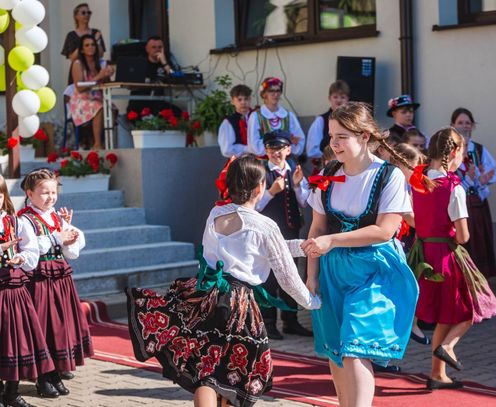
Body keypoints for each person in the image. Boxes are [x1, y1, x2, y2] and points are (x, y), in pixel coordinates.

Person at [126, 155, 321, 407]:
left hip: (206, 295)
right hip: (239, 304)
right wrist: (312, 302)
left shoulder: (216, 213)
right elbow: (286, 275)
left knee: (205, 371)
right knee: (233, 374)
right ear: (260, 187)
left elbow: (265, 248)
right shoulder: (265, 225)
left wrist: (303, 246)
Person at [302, 102, 419, 407]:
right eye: (331, 136)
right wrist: (311, 276)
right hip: (332, 270)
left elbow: (385, 230)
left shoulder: (388, 176)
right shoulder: (327, 174)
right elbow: (317, 229)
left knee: (356, 347)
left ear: (365, 136)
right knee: (336, 350)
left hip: (373, 269)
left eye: (342, 136)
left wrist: (333, 240)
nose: (334, 143)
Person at [407, 128, 496, 391]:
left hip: (423, 254)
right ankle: (448, 346)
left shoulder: (419, 181)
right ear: (454, 152)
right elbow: (462, 236)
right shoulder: (453, 187)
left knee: (445, 315)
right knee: (470, 308)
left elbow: (416, 218)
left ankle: (438, 374)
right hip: (446, 255)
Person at [18, 169, 93, 398]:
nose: (50, 197)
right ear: (30, 193)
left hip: (60, 278)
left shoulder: (55, 217)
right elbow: (30, 248)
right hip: (39, 279)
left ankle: (56, 372)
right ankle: (43, 377)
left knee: (60, 326)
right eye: (44, 192)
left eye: (53, 192)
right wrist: (57, 237)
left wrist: (68, 236)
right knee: (42, 327)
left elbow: (72, 252)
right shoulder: (24, 219)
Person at [0, 175, 56, 407]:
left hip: (15, 289)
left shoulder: (15, 222)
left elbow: (31, 252)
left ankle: (12, 393)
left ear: (4, 197)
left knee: (18, 340)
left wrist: (21, 257)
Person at [256, 130, 312, 339]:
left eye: (280, 148)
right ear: (266, 151)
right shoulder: (261, 172)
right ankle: (268, 323)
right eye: (271, 148)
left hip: (290, 232)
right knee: (269, 279)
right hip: (268, 235)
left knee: (290, 275)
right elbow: (254, 207)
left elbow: (304, 202)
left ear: (288, 149)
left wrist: (296, 186)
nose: (275, 152)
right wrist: (271, 192)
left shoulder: (294, 170)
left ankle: (291, 321)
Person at [388, 143, 431, 346]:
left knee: (408, 287)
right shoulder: (393, 184)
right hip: (391, 241)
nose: (415, 172)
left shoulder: (408, 185)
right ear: (399, 163)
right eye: (412, 167)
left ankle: (408, 325)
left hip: (403, 241)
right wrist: (428, 226)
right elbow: (409, 216)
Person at [451, 108, 496, 278]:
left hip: (477, 203)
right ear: (453, 125)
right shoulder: (449, 149)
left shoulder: (478, 149)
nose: (464, 126)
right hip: (457, 204)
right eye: (460, 122)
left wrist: (482, 179)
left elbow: (493, 171)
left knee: (479, 242)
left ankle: (479, 281)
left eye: (468, 123)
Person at [69, 34, 114, 150]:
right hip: (81, 100)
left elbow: (107, 84)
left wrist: (108, 74)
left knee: (112, 108)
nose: (91, 47)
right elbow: (80, 88)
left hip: (98, 97)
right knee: (99, 107)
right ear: (82, 50)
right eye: (87, 45)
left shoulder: (102, 63)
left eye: (93, 44)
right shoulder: (78, 64)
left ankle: (108, 142)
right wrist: (99, 76)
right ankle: (97, 144)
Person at [247, 77, 305, 157]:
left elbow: (299, 140)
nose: (275, 94)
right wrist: (282, 142)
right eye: (271, 91)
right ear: (264, 94)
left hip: (285, 160)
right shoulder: (256, 116)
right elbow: (253, 144)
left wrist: (291, 143)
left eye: (278, 91)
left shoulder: (288, 116)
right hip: (264, 161)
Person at [127, 36, 182, 116]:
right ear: (147, 49)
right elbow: (129, 83)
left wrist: (165, 63)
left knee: (178, 113)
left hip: (158, 103)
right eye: (154, 47)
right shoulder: (139, 62)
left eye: (160, 47)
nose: (157, 49)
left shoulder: (166, 63)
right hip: (139, 102)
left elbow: (177, 77)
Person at [306, 80, 350, 171]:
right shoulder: (321, 120)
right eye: (335, 97)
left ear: (347, 99)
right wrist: (332, 156)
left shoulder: (351, 122)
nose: (339, 100)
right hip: (326, 170)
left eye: (342, 97)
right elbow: (312, 150)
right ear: (329, 98)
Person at [61, 3, 106, 84]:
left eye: (89, 12)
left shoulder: (96, 32)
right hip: (78, 70)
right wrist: (84, 44)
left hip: (94, 70)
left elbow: (101, 54)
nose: (86, 15)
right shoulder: (71, 35)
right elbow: (72, 58)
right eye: (83, 13)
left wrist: (96, 42)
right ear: (76, 16)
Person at [217, 84, 253, 158]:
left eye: (246, 99)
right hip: (239, 161)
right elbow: (227, 150)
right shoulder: (228, 122)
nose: (243, 102)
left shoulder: (257, 118)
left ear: (250, 99)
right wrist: (248, 149)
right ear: (232, 101)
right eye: (239, 99)